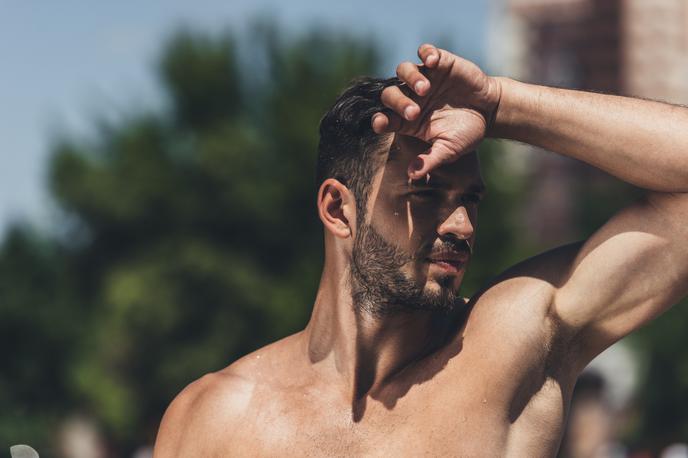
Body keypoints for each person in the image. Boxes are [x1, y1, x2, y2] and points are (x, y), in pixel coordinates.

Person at [153, 44, 688, 456]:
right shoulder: (216, 421)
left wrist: (502, 105)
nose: (461, 225)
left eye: (470, 200)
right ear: (339, 210)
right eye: (425, 193)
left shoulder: (510, 351)